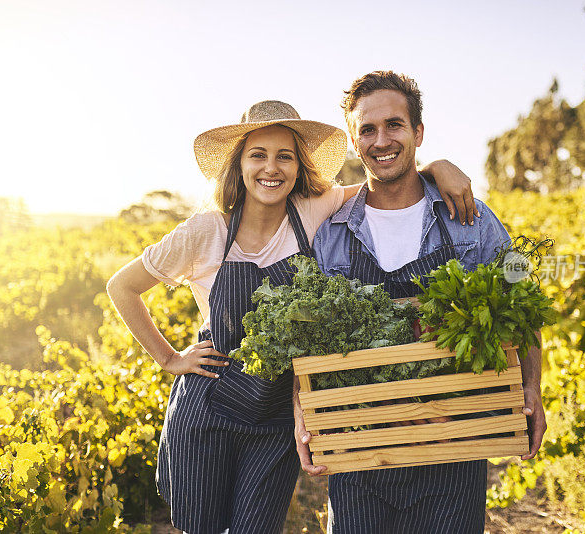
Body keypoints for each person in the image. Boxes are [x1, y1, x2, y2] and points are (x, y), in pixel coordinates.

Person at [106, 99, 480, 534]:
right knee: (200, 526)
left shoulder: (313, 210)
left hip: (276, 413)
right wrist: (169, 358)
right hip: (208, 408)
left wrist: (438, 165)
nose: (272, 168)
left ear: (299, 167)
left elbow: (387, 180)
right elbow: (122, 287)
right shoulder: (206, 230)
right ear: (239, 164)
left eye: (285, 156)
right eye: (258, 155)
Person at [293, 71, 547, 533]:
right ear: (354, 141)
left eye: (394, 125)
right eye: (366, 129)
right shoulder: (330, 234)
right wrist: (301, 412)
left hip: (455, 442)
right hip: (361, 451)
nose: (381, 139)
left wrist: (533, 385)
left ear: (418, 133)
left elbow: (521, 298)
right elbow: (309, 345)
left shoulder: (469, 218)